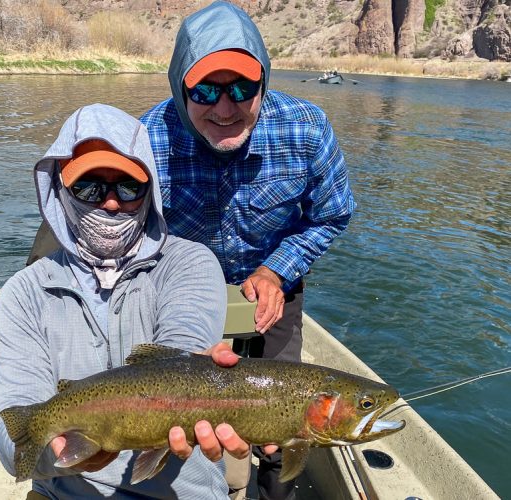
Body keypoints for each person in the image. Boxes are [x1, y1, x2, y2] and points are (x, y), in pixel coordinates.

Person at [139, 2, 355, 498]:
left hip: (274, 298)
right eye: (206, 91)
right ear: (180, 87)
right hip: (181, 296)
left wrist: (277, 271)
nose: (225, 107)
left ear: (263, 84)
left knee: (284, 432)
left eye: (242, 88)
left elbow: (334, 213)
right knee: (178, 420)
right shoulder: (147, 140)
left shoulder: (307, 128)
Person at [0, 103, 250, 499]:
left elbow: (182, 342)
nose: (110, 202)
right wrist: (60, 452)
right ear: (60, 189)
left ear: (150, 192)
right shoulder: (24, 294)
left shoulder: (190, 263)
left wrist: (196, 366)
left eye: (128, 187)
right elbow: (13, 434)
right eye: (89, 187)